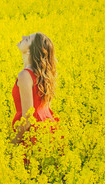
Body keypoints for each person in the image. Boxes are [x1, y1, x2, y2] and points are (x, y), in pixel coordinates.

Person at [10, 32, 64, 166]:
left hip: (33, 134)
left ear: (30, 51)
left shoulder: (24, 76)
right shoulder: (44, 75)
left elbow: (28, 117)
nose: (22, 37)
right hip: (49, 129)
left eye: (27, 39)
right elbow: (47, 107)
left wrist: (13, 144)